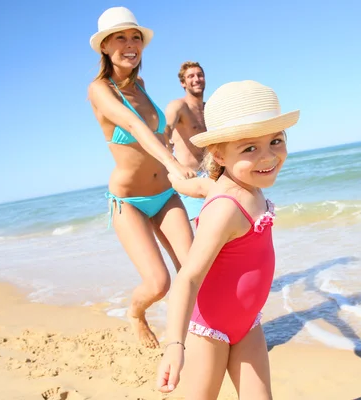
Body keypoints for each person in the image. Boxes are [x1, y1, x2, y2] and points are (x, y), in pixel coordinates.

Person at [156, 80, 300, 399]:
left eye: (276, 141)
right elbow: (189, 278)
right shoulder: (225, 208)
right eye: (250, 148)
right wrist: (175, 344)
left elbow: (199, 187)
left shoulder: (247, 185)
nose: (268, 157)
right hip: (210, 329)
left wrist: (179, 181)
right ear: (219, 154)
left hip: (248, 325)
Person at [87, 6, 196, 348]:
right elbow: (134, 126)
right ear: (105, 46)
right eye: (120, 37)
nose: (130, 44)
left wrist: (197, 165)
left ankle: (195, 336)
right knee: (158, 284)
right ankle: (136, 314)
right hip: (129, 201)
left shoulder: (143, 85)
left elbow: (161, 135)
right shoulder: (99, 89)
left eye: (135, 37)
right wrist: (174, 164)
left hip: (165, 193)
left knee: (194, 272)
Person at [164, 61, 208, 221]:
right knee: (203, 227)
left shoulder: (209, 108)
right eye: (191, 76)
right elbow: (166, 129)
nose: (197, 79)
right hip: (191, 179)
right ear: (183, 83)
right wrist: (171, 162)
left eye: (200, 75)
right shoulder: (179, 106)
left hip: (213, 176)